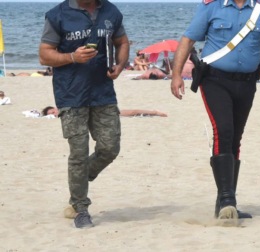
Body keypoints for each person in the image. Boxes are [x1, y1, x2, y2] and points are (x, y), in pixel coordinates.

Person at [170, 0, 260, 223]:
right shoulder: (211, 6)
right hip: (215, 80)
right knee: (223, 130)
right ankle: (227, 200)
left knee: (235, 137)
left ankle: (225, 203)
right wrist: (176, 74)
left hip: (246, 83)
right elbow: (188, 39)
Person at [39, 0, 130, 229]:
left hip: (103, 93)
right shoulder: (57, 15)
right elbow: (44, 55)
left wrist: (119, 65)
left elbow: (122, 42)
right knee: (78, 153)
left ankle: (79, 179)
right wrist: (72, 57)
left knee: (110, 147)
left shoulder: (110, 10)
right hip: (71, 95)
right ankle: (80, 208)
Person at [42, 106, 167, 117]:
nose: (54, 114)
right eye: (52, 114)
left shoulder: (66, 109)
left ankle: (154, 112)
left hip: (103, 112)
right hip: (101, 115)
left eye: (53, 111)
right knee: (131, 113)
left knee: (132, 112)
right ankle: (153, 113)